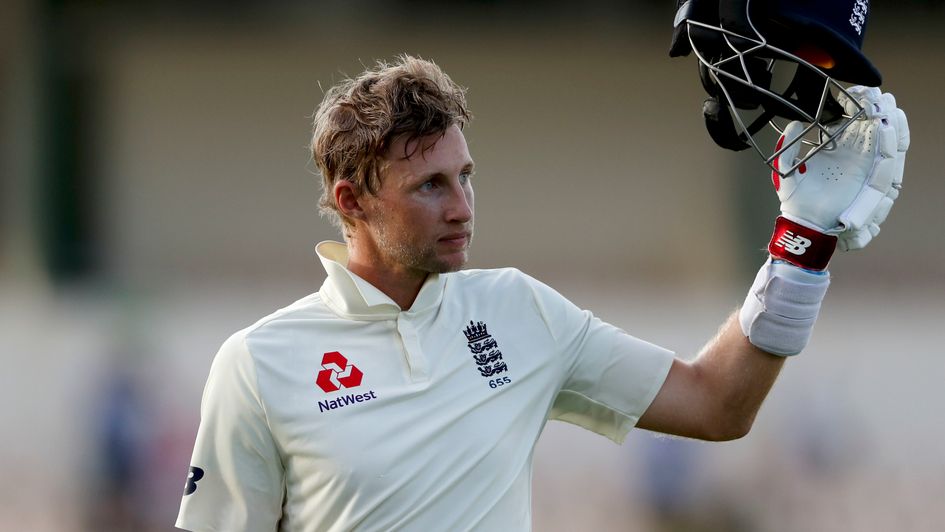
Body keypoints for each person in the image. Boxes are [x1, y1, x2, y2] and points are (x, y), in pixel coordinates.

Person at [175, 52, 907, 531]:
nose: (462, 206)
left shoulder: (518, 310)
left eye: (465, 176)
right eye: (429, 186)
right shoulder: (259, 364)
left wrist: (802, 241)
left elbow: (717, 404)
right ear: (352, 200)